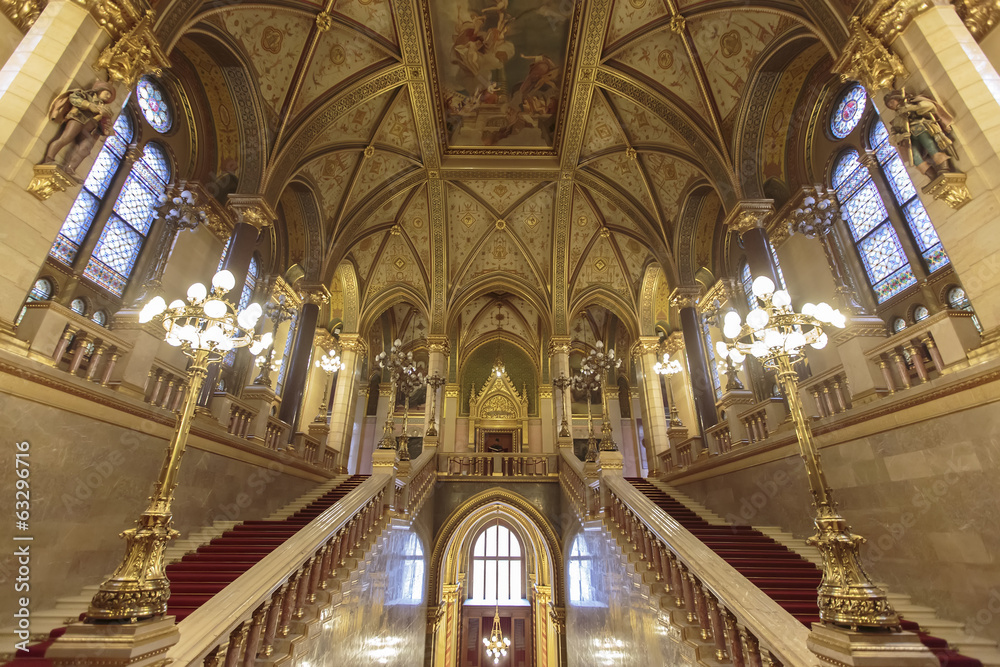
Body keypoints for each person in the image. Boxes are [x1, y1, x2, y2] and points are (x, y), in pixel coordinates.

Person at [43, 80, 117, 177]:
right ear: (100, 90)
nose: (108, 96)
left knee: (86, 147)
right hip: (78, 119)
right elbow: (73, 98)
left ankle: (70, 169)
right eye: (107, 93)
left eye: (110, 96)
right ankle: (49, 159)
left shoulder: (104, 107)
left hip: (88, 127)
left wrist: (106, 123)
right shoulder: (87, 96)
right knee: (66, 138)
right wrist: (89, 105)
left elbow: (104, 124)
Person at [883, 89, 958, 182]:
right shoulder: (896, 120)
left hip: (922, 128)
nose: (891, 105)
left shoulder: (912, 103)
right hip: (910, 138)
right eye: (889, 105)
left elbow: (931, 106)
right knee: (914, 156)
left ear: (897, 99)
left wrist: (912, 108)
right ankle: (932, 174)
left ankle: (944, 166)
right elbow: (892, 138)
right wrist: (901, 136)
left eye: (891, 102)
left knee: (930, 145)